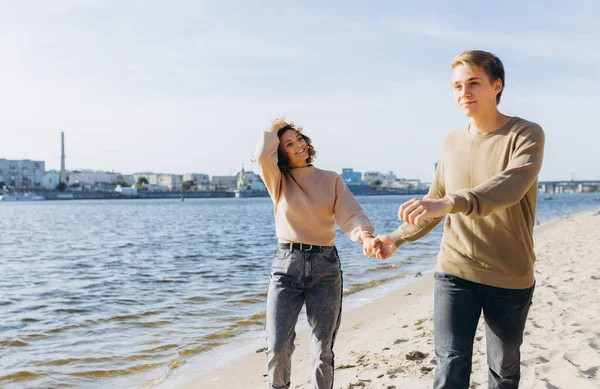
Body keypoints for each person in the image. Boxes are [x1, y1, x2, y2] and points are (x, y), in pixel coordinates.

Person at [372, 50, 545, 389]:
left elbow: (508, 187)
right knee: (450, 365)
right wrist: (395, 238)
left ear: (496, 86)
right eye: (456, 86)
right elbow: (433, 203)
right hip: (455, 270)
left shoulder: (525, 134)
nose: (463, 93)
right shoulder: (451, 141)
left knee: (503, 370)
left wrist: (451, 202)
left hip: (509, 273)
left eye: (473, 83)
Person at [254, 118, 375, 389]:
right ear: (280, 152)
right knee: (277, 346)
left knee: (322, 351)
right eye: (289, 144)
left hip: (325, 267)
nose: (299, 145)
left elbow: (351, 214)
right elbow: (262, 153)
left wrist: (365, 236)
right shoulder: (277, 180)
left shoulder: (330, 179)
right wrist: (277, 124)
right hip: (287, 267)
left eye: (300, 139)